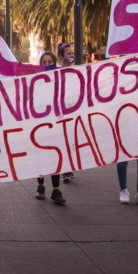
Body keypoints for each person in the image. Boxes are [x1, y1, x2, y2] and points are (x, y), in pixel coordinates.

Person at [34, 51, 65, 205]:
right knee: (41, 155)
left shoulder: (59, 78)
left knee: (55, 155)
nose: (47, 65)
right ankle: (40, 185)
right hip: (39, 123)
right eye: (44, 63)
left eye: (49, 62)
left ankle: (56, 189)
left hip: (56, 121)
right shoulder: (34, 80)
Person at [57, 43, 77, 183]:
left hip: (72, 110)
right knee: (62, 140)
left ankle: (68, 167)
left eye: (72, 53)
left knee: (71, 141)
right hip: (59, 111)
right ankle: (65, 169)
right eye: (68, 53)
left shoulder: (78, 70)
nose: (71, 55)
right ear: (61, 56)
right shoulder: (56, 70)